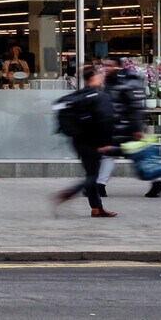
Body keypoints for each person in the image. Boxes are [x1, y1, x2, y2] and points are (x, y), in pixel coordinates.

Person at [54, 65, 119, 218]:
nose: (101, 77)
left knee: (91, 173)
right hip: (95, 141)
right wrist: (106, 142)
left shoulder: (78, 95)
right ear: (93, 77)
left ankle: (96, 208)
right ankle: (70, 192)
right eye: (99, 75)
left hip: (78, 141)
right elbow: (106, 120)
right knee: (92, 176)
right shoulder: (100, 96)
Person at [103, 57, 161, 200]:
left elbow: (136, 105)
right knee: (111, 154)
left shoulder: (129, 80)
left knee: (137, 155)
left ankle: (157, 182)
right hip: (116, 126)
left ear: (118, 66)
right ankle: (100, 185)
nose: (105, 68)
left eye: (109, 65)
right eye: (104, 65)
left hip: (127, 126)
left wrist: (136, 128)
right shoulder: (110, 80)